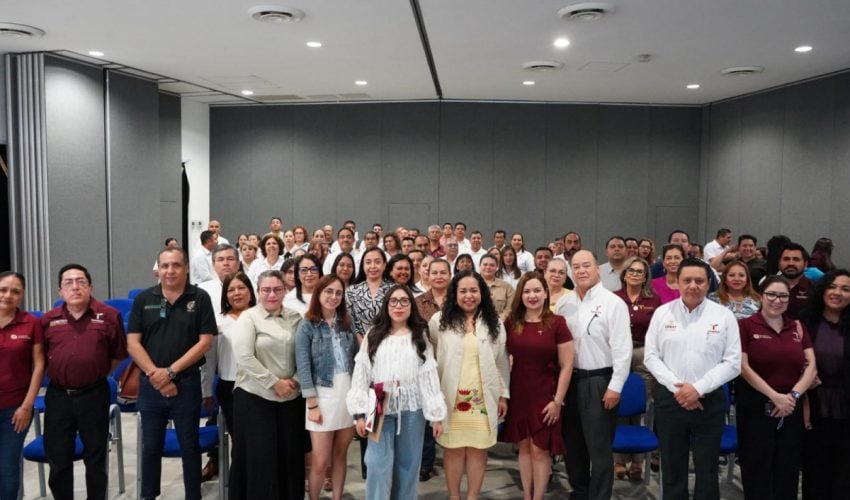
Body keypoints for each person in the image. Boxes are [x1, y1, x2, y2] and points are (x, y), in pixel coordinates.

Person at [644, 257, 742, 500]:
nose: (693, 286)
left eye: (699, 281)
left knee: (707, 467)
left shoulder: (723, 316)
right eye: (687, 280)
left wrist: (697, 389)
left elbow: (732, 362)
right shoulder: (661, 314)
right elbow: (651, 357)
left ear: (709, 283)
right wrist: (679, 389)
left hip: (709, 401)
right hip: (670, 399)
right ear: (677, 282)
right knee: (672, 465)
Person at [127, 247, 216, 500]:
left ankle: (192, 495)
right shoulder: (144, 299)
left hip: (187, 384)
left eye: (176, 265)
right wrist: (158, 376)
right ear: (158, 269)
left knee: (190, 446)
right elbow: (133, 343)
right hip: (150, 385)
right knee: (151, 446)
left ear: (186, 268)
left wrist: (170, 373)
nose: (170, 270)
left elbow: (205, 342)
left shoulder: (199, 298)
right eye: (165, 266)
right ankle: (148, 495)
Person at [346, 285, 447, 499]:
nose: (398, 306)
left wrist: (436, 416)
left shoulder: (420, 334)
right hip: (378, 404)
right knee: (376, 464)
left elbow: (428, 375)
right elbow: (361, 372)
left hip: (412, 407)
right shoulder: (374, 334)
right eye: (393, 301)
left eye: (404, 301)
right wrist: (359, 413)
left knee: (408, 465)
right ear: (386, 305)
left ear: (411, 306)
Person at [41, 264, 127, 500]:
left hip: (94, 394)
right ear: (60, 290)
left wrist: (93, 372)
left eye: (81, 281)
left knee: (96, 458)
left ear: (90, 287)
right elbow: (42, 357)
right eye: (68, 282)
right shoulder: (49, 320)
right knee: (58, 459)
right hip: (58, 396)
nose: (75, 287)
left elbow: (118, 354)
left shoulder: (109, 316)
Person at [559, 250, 632, 500]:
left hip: (600, 380)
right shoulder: (564, 304)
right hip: (569, 380)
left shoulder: (613, 303)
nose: (581, 271)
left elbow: (623, 349)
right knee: (573, 445)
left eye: (586, 265)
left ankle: (599, 496)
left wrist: (616, 386)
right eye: (576, 266)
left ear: (597, 269)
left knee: (599, 449)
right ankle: (579, 492)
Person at [431, 270, 510, 500]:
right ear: (454, 294)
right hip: (450, 396)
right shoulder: (439, 321)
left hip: (482, 397)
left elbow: (501, 361)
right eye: (463, 291)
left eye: (474, 290)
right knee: (453, 448)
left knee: (478, 449)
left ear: (482, 293)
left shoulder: (494, 322)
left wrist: (503, 395)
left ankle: (473, 496)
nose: (468, 296)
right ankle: (454, 496)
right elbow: (431, 362)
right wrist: (434, 398)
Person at [737, 276, 817, 500]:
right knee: (757, 466)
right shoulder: (745, 325)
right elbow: (743, 366)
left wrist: (792, 396)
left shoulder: (797, 327)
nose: (777, 300)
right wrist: (774, 396)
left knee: (788, 466)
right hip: (755, 406)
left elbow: (811, 365)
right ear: (761, 296)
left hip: (791, 407)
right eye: (771, 294)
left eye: (782, 295)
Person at [230, 270, 305, 499]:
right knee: (259, 461)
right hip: (255, 398)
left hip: (290, 399)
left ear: (285, 290)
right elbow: (244, 357)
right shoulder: (248, 318)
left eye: (277, 289)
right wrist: (274, 383)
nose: (271, 294)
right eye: (266, 290)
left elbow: (305, 356)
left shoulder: (295, 318)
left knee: (289, 458)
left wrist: (294, 381)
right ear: (258, 292)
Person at [501, 272, 574, 500]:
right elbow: (501, 358)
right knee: (523, 446)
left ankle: (538, 497)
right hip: (519, 392)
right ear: (520, 295)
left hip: (547, 394)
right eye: (527, 291)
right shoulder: (512, 322)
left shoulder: (558, 323)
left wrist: (558, 401)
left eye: (537, 291)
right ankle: (526, 495)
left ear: (545, 293)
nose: (532, 296)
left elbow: (567, 365)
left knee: (540, 449)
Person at [296, 276, 358, 500]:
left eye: (338, 293)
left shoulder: (347, 323)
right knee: (320, 460)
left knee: (340, 455)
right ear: (318, 294)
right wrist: (312, 403)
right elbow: (303, 367)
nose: (333, 297)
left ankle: (337, 497)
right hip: (321, 397)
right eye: (328, 292)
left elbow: (356, 359)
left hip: (347, 395)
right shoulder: (307, 326)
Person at [799, 269, 850, 500]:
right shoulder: (805, 323)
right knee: (815, 466)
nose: (837, 293)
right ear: (822, 290)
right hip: (815, 403)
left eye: (845, 289)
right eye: (832, 287)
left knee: (843, 469)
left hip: (846, 404)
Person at [612, 257, 662, 480]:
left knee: (641, 405)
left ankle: (638, 462)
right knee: (619, 403)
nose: (634, 274)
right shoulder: (614, 298)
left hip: (643, 353)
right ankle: (619, 460)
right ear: (624, 274)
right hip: (618, 353)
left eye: (639, 272)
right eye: (631, 270)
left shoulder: (654, 300)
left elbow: (659, 331)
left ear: (645, 276)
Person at [0, 271, 45, 500]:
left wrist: (27, 406)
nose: (8, 295)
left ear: (22, 295)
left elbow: (39, 366)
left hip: (15, 410)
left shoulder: (31, 323)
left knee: (7, 475)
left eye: (15, 291)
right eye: (3, 290)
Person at [414, 258, 452, 479]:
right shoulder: (418, 302)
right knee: (427, 413)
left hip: (451, 364)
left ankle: (452, 455)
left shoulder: (457, 301)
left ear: (449, 274)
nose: (438, 276)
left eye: (443, 272)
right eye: (433, 272)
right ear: (426, 274)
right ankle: (426, 462)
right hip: (424, 365)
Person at [214, 272, 256, 464]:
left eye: (241, 288)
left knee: (258, 438)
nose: (236, 293)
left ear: (250, 291)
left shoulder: (261, 316)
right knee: (239, 439)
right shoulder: (218, 321)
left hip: (258, 384)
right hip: (229, 385)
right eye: (231, 290)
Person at [346, 247, 393, 339]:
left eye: (377, 262)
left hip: (390, 342)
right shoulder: (351, 291)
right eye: (368, 262)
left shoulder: (394, 290)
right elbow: (351, 322)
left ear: (384, 265)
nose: (373, 266)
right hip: (360, 343)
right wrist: (363, 345)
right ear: (363, 265)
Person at [778, 242, 812, 319]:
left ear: (805, 264)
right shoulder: (767, 287)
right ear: (779, 264)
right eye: (786, 259)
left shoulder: (815, 289)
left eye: (796, 259)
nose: (791, 263)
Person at [478, 254, 514, 320]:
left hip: (500, 324)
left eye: (492, 265)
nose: (488, 267)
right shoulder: (473, 285)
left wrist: (497, 320)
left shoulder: (507, 287)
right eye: (485, 264)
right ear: (479, 266)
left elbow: (509, 309)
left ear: (497, 267)